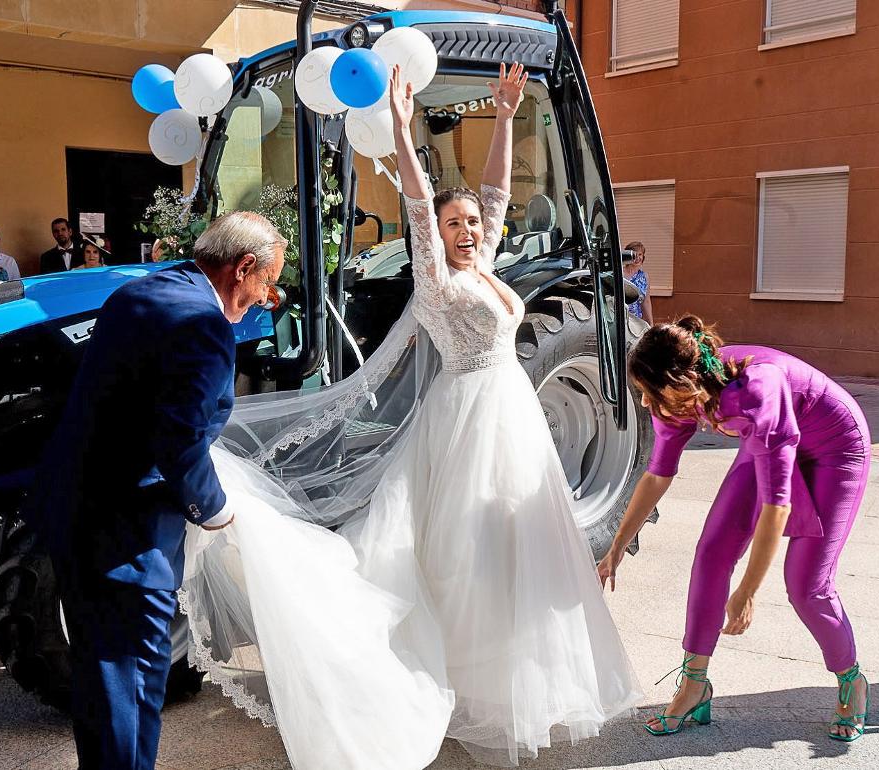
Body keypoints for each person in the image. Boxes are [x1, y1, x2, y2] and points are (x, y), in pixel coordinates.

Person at [180, 63, 641, 769]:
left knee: (523, 557)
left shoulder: (485, 264)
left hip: (511, 419)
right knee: (466, 561)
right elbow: (421, 204)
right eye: (455, 222)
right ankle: (455, 681)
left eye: (473, 222)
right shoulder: (439, 276)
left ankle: (509, 684)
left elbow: (491, 188)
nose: (466, 227)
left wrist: (510, 115)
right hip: (467, 425)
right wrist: (399, 123)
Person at [28, 211, 286, 770]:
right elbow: (181, 445)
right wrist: (214, 511)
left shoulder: (142, 290)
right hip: (126, 530)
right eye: (266, 282)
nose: (267, 297)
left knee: (102, 673)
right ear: (242, 268)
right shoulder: (205, 327)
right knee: (133, 677)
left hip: (73, 503)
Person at [597, 315, 872, 742]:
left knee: (806, 585)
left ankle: (851, 679)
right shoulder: (679, 401)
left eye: (650, 393)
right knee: (711, 553)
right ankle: (693, 685)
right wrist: (618, 543)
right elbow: (657, 475)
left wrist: (746, 590)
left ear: (681, 380)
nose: (647, 404)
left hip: (836, 447)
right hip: (773, 441)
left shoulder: (755, 393)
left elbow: (775, 506)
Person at [623, 241, 653, 323]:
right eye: (634, 255)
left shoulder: (644, 276)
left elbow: (646, 302)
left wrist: (650, 323)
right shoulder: (619, 273)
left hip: (636, 321)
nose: (637, 258)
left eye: (640, 254)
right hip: (620, 319)